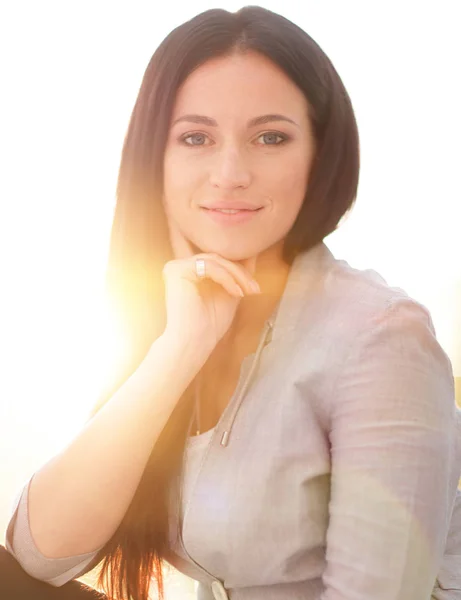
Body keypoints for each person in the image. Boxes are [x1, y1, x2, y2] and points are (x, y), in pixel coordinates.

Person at [2, 5, 460, 600]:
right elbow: (38, 557)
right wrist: (178, 351)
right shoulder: (182, 315)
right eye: (196, 137)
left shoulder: (381, 336)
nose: (230, 172)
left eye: (271, 137)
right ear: (155, 158)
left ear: (320, 153)